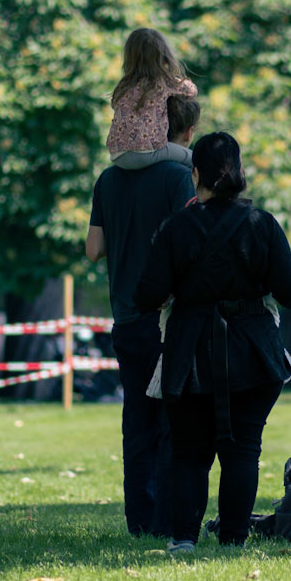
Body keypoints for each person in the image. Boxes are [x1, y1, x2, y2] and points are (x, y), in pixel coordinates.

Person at [134, 131, 291, 555]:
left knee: (189, 452)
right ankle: (233, 540)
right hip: (254, 352)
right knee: (243, 450)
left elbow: (146, 295)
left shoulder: (175, 228)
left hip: (189, 354)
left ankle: (184, 539)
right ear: (239, 171)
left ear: (196, 175)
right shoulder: (263, 224)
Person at [87, 92, 199, 536]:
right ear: (186, 132)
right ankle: (169, 520)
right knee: (174, 421)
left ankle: (139, 520)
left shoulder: (107, 180)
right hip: (167, 318)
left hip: (126, 316)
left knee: (136, 420)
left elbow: (93, 249)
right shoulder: (179, 177)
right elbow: (188, 245)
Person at [106, 27, 198, 167]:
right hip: (146, 153)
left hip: (118, 156)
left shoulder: (125, 85)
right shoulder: (163, 82)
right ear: (165, 57)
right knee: (192, 158)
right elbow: (191, 90)